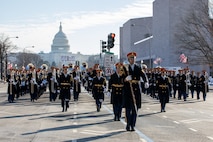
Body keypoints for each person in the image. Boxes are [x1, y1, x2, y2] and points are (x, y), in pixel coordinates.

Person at [123, 52, 149, 131]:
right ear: (128, 59)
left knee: (135, 108)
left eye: (133, 58)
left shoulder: (138, 67)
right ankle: (128, 124)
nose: (132, 60)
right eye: (131, 58)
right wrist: (125, 79)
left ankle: (133, 125)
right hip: (128, 89)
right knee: (128, 109)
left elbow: (143, 75)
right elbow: (121, 78)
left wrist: (146, 81)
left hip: (136, 89)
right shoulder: (125, 68)